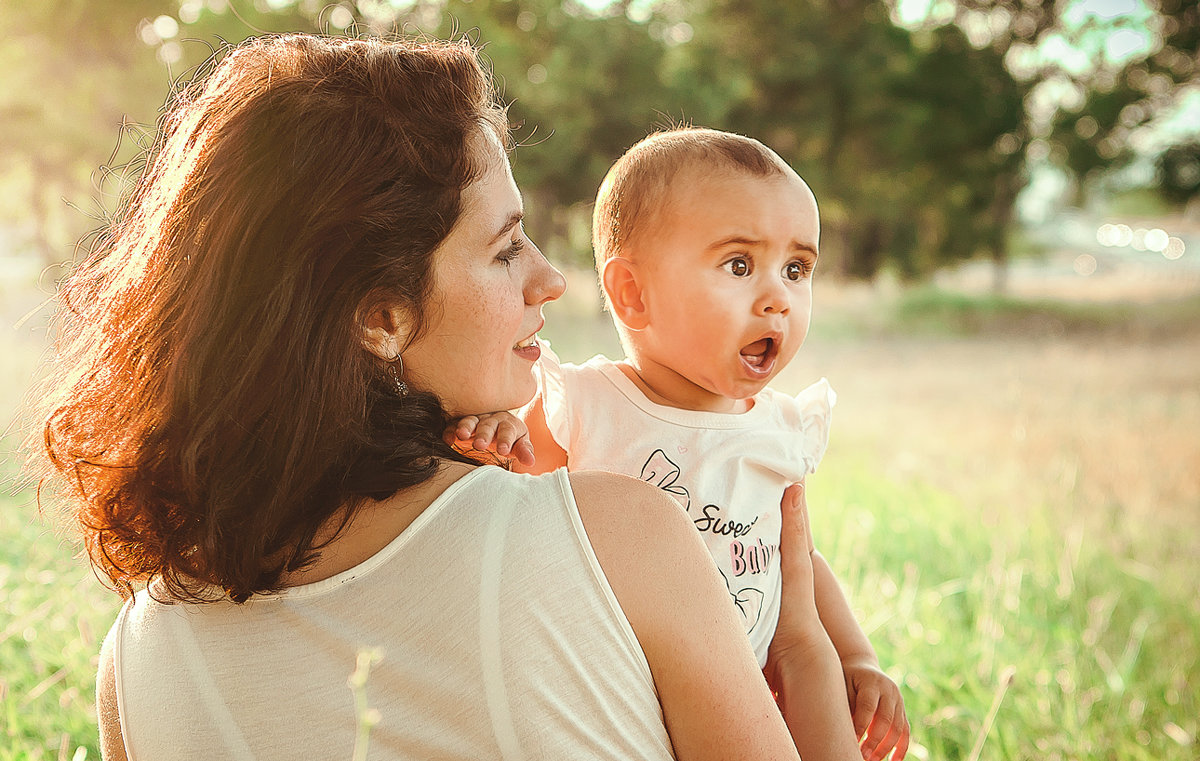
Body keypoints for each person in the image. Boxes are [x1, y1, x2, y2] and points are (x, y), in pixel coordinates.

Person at [27, 34, 856, 761]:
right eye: (504, 250)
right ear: (380, 318)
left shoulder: (136, 663)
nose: (551, 278)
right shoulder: (625, 537)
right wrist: (810, 651)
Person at [456, 128, 909, 761]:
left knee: (815, 678)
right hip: (624, 680)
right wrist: (500, 434)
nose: (778, 297)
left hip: (757, 682)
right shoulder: (588, 404)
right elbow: (524, 499)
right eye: (740, 265)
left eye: (796, 269)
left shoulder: (778, 428)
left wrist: (857, 656)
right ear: (633, 294)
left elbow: (795, 556)